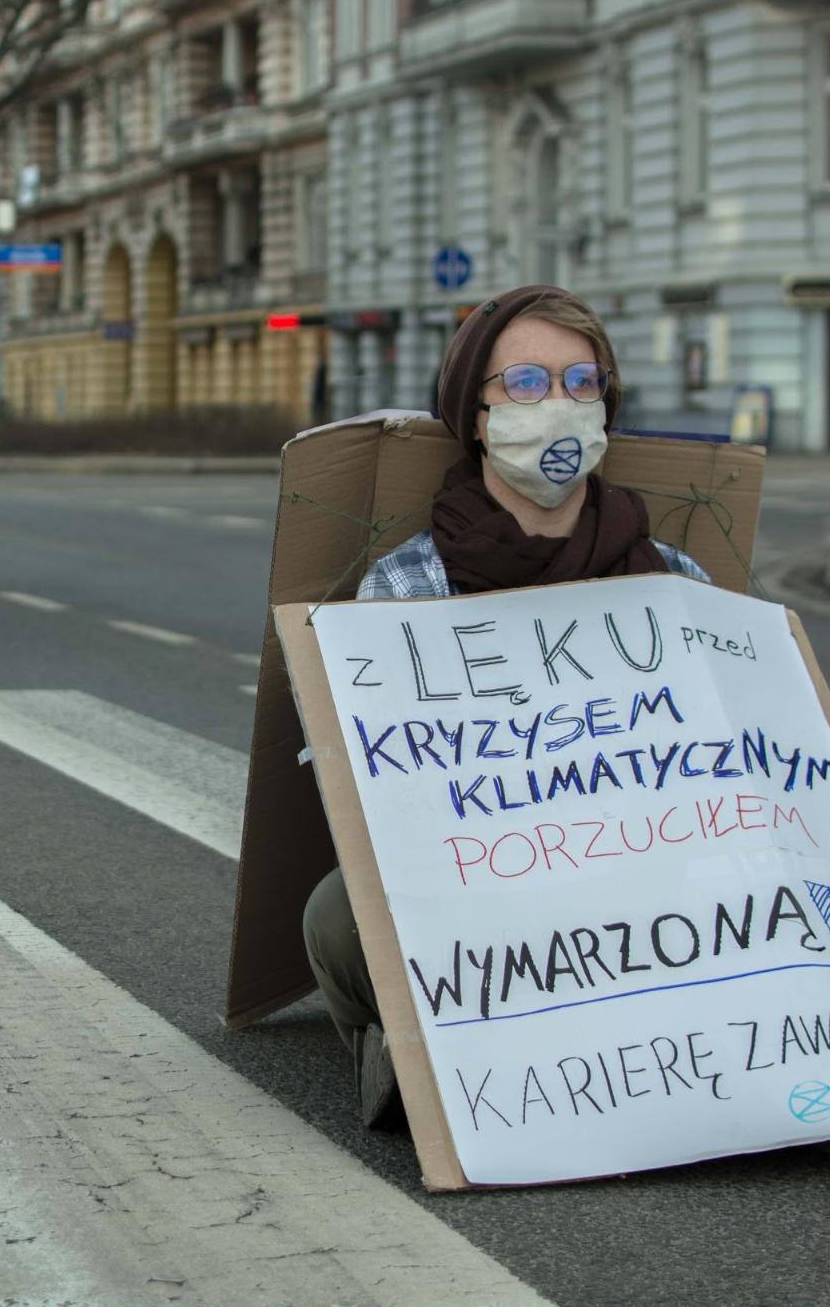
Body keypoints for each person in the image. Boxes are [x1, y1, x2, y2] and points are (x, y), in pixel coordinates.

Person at [301, 283, 710, 1128]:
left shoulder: (674, 579)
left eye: (580, 382)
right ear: (475, 414)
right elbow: (370, 786)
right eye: (524, 384)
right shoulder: (409, 586)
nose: (556, 405)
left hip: (646, 890)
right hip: (482, 900)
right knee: (338, 914)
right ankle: (429, 1063)